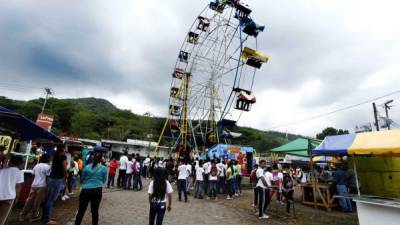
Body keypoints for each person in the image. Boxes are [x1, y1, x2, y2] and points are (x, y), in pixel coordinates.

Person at [75, 153, 107, 225]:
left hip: (85, 190)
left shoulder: (86, 167)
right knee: (95, 211)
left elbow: (82, 179)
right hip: (97, 191)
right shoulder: (104, 168)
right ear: (101, 160)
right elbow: (104, 181)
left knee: (81, 210)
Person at [19, 154, 51, 222]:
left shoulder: (37, 165)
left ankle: (22, 215)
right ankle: (33, 216)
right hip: (42, 185)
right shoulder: (48, 167)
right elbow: (48, 177)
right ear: (47, 159)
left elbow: (33, 174)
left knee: (29, 200)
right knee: (37, 202)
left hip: (34, 185)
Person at [43, 145, 68, 224]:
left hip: (51, 178)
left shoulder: (55, 154)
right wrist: (65, 177)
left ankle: (45, 216)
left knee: (48, 198)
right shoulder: (63, 156)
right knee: (51, 199)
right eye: (66, 147)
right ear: (63, 148)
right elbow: (64, 168)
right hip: (57, 179)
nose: (67, 148)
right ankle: (47, 219)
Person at [0, 155, 23, 225]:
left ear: (10, 162)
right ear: (20, 163)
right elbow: (18, 186)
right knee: (2, 218)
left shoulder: (2, 170)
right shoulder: (19, 172)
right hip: (9, 197)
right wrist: (17, 197)